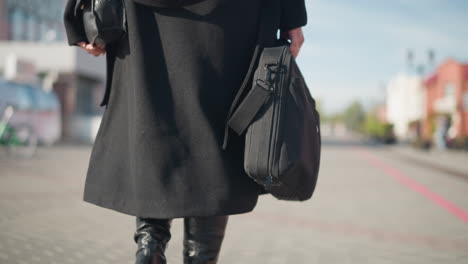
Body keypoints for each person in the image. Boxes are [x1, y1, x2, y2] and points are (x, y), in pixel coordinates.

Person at [63, 0, 307, 263]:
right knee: (216, 133)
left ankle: (150, 246)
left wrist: (79, 18)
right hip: (231, 14)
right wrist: (292, 15)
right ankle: (199, 257)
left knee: (152, 112)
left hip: (145, 12)